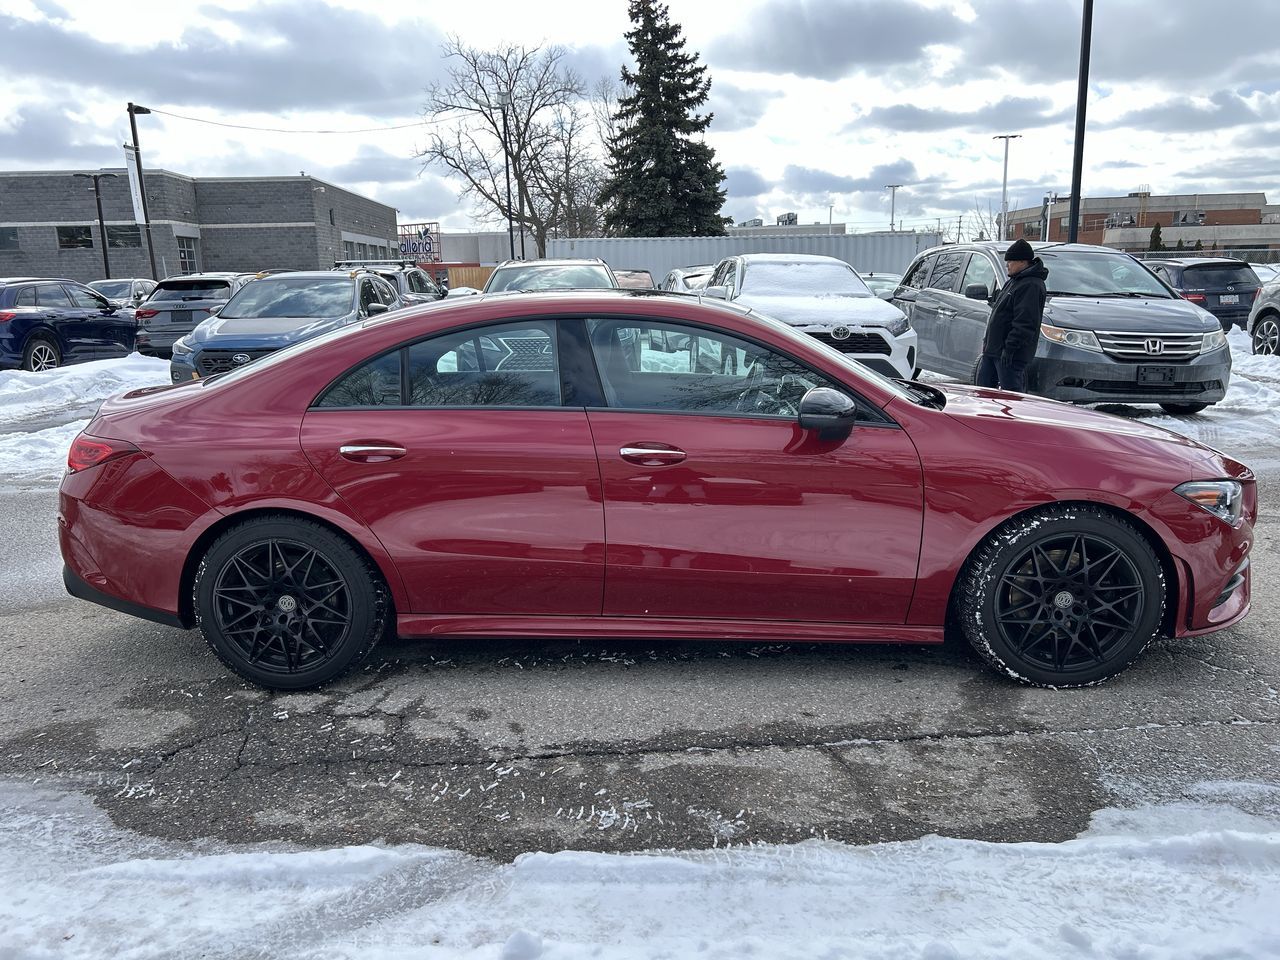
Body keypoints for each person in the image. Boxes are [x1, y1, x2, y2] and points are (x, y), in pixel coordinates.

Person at [977, 238, 1048, 392]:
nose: (1007, 265)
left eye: (1010, 261)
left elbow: (1025, 322)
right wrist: (988, 343)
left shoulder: (1031, 285)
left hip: (1010, 355)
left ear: (1023, 262)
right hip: (994, 350)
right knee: (984, 392)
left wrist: (1010, 349)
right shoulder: (1015, 281)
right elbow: (1000, 314)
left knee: (1011, 396)